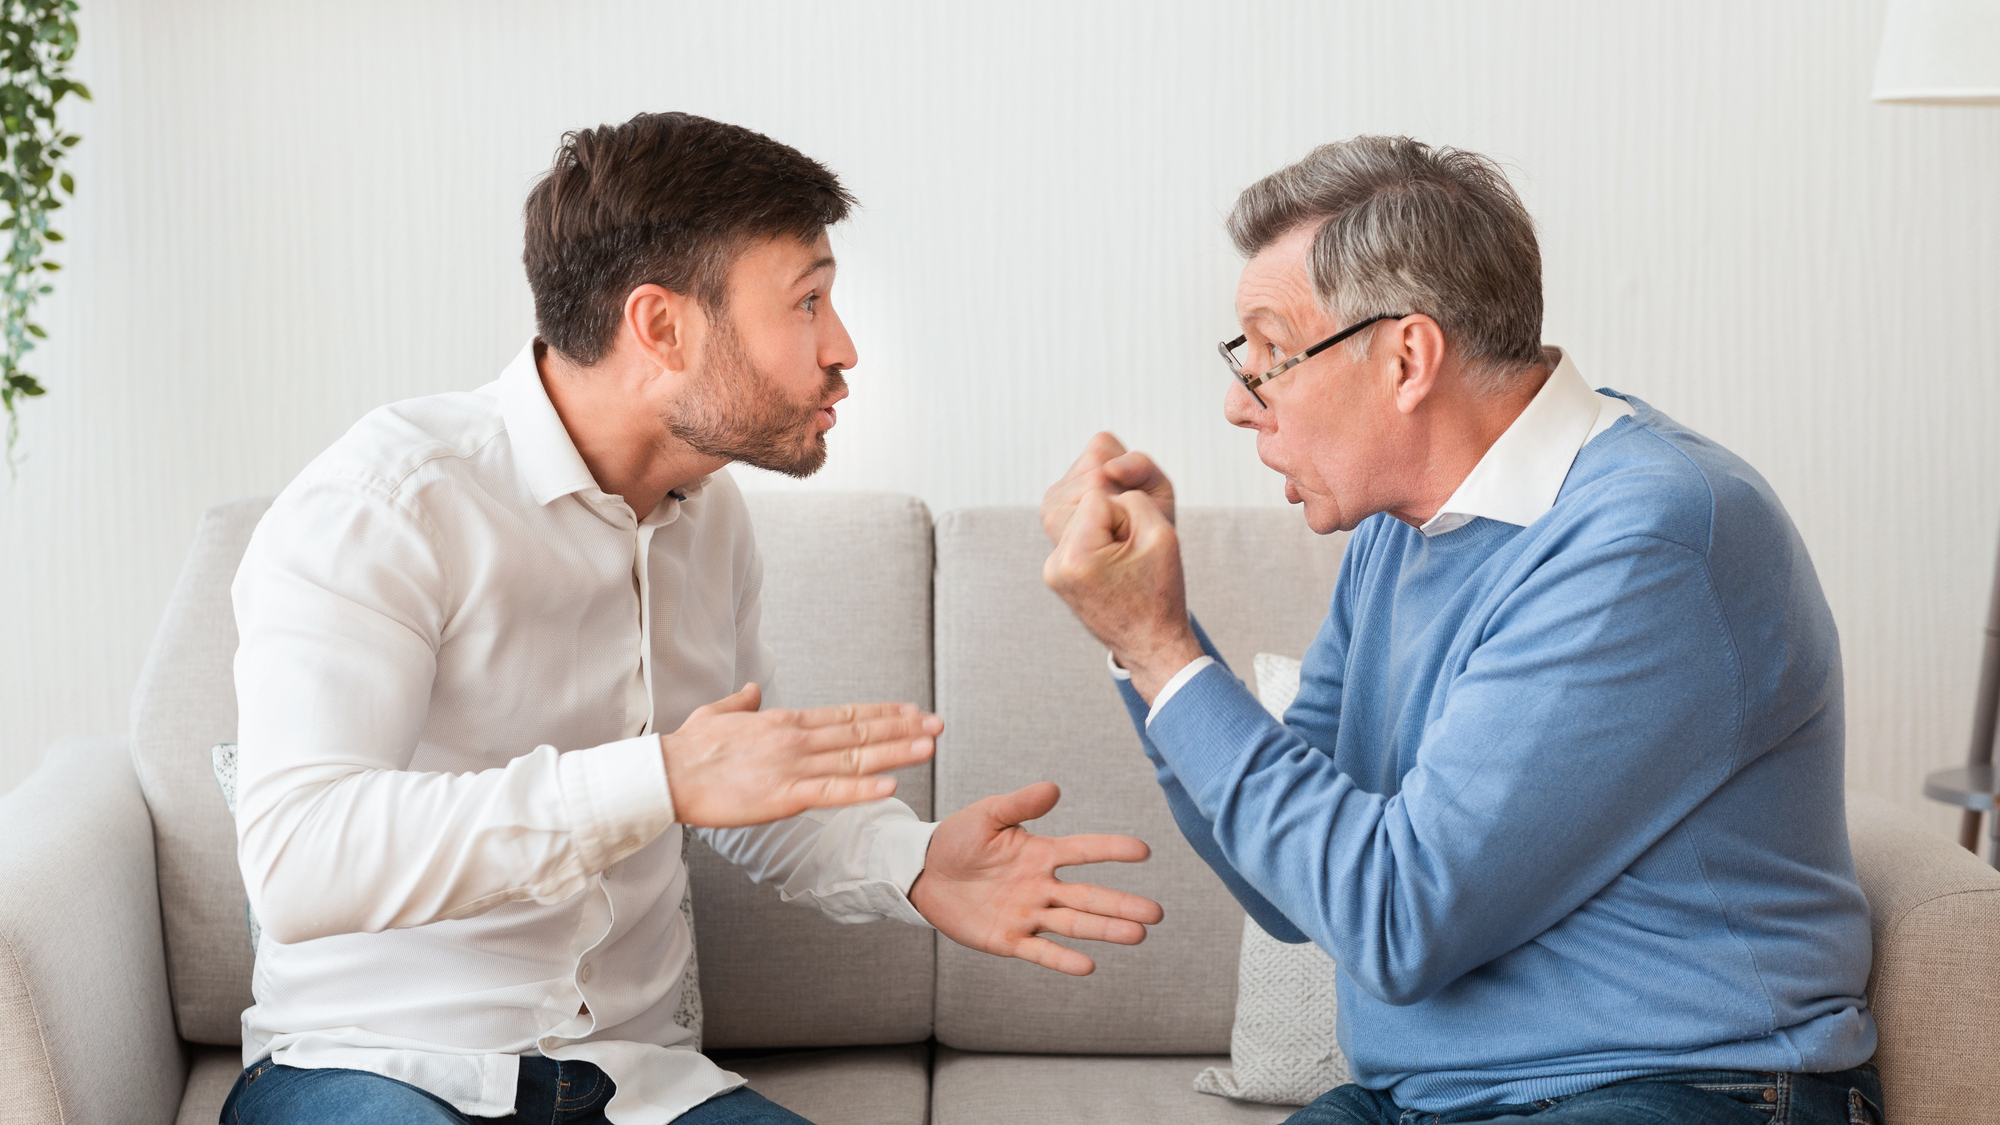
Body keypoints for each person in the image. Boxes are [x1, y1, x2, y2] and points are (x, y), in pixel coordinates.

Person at [221, 112, 1164, 1125]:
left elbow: (742, 789)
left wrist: (917, 860)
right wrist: (657, 778)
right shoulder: (389, 503)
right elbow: (299, 857)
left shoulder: (709, 519)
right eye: (806, 303)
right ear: (660, 326)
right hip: (377, 1067)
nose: (842, 349)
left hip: (631, 1084)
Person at [1040, 136, 1882, 1125]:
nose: (1238, 403)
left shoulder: (1649, 535)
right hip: (1427, 1102)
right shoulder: (1400, 535)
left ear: (1406, 357)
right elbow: (1286, 892)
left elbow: (1398, 919)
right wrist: (1151, 643)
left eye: (1268, 355)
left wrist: (1158, 649)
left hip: (1679, 1088)